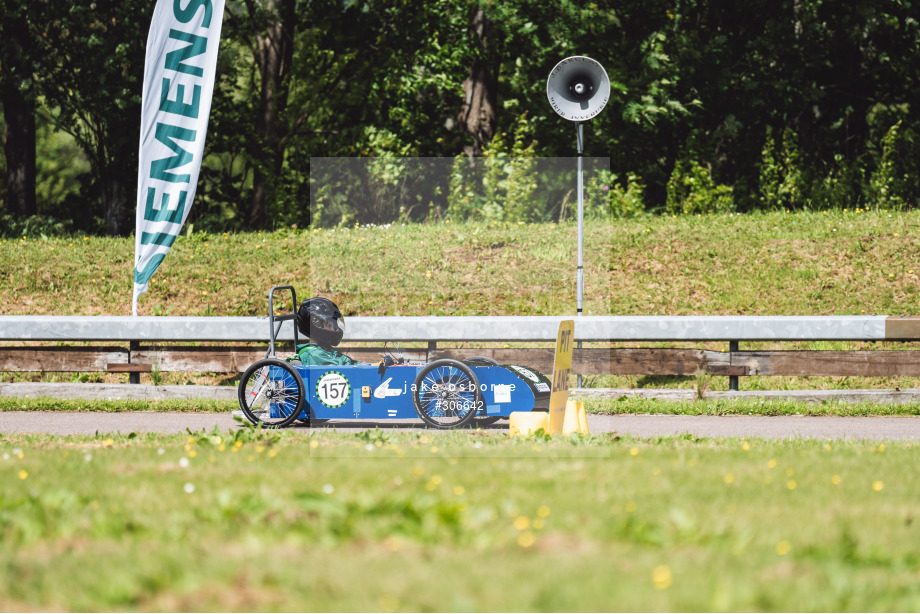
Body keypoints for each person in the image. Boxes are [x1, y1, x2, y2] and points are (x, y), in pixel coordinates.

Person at [292, 297, 359, 366]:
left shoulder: (327, 349)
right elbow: (338, 368)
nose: (334, 329)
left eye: (334, 324)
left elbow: (348, 362)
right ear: (315, 326)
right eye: (329, 325)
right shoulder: (312, 355)